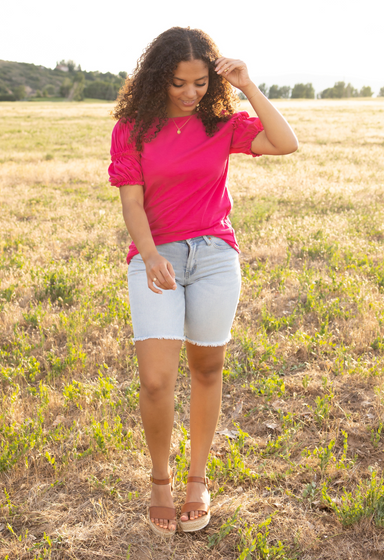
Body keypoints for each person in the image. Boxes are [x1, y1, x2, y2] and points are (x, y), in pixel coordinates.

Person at [108, 26, 298, 537]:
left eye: (199, 83)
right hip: (156, 256)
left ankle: (197, 481)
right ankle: (159, 482)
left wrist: (248, 86)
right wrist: (148, 256)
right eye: (178, 83)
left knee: (207, 368)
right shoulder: (133, 127)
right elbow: (131, 200)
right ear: (157, 79)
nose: (190, 93)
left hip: (215, 255)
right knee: (155, 379)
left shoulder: (223, 122)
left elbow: (286, 143)